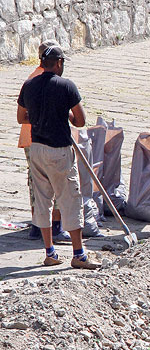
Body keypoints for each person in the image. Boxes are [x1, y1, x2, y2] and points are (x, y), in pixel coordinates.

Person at [16, 45, 99, 269]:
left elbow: (21, 117)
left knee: (43, 200)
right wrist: (65, 113)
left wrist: (41, 114)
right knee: (70, 199)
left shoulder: (29, 84)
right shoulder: (66, 86)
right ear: (59, 63)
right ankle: (79, 255)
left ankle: (50, 252)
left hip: (37, 148)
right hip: (59, 151)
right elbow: (80, 121)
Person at [19, 40, 72, 243]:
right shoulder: (46, 80)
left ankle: (37, 226)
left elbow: (22, 115)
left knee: (36, 182)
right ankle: (55, 227)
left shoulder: (31, 79)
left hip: (31, 136)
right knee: (55, 181)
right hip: (43, 137)